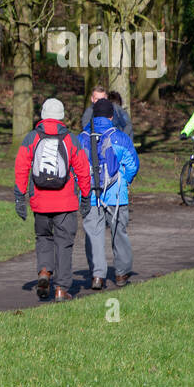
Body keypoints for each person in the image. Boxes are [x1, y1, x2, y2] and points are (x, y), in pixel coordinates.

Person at [14, 98, 92, 301]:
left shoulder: (31, 138)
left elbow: (21, 167)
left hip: (40, 201)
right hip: (65, 203)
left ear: (42, 114)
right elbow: (83, 170)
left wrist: (19, 196)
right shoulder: (71, 139)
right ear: (61, 117)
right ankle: (61, 289)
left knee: (44, 239)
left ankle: (44, 272)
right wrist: (86, 196)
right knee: (64, 244)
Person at [76, 98, 139, 289]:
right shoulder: (120, 137)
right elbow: (132, 165)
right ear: (112, 116)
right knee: (119, 232)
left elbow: (75, 168)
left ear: (94, 115)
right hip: (116, 195)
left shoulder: (81, 138)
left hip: (90, 196)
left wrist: (81, 186)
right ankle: (121, 274)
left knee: (93, 234)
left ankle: (97, 275)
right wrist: (125, 180)